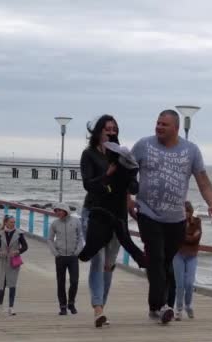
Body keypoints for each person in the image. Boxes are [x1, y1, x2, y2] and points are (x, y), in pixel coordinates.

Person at [131, 109, 212, 324]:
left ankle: (159, 305)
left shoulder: (191, 150)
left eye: (164, 124)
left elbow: (203, 180)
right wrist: (127, 199)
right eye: (158, 123)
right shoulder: (143, 145)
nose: (159, 127)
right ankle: (161, 306)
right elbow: (128, 173)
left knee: (165, 263)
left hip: (176, 219)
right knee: (156, 258)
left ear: (176, 128)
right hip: (148, 212)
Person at [79, 115, 123, 328]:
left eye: (114, 129)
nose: (110, 132)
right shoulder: (88, 155)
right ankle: (97, 309)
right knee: (98, 260)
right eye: (107, 129)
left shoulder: (119, 155)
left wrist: (132, 202)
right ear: (98, 131)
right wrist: (107, 174)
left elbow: (126, 184)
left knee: (109, 265)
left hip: (115, 215)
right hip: (94, 213)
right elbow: (88, 185)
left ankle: (101, 309)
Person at [78, 139, 146, 268]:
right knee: (124, 239)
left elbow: (98, 186)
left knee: (119, 240)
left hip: (106, 211)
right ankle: (141, 259)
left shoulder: (119, 172)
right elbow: (133, 188)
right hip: (114, 213)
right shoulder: (125, 172)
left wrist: (107, 181)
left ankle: (141, 259)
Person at [47, 203, 83, 316]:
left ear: (65, 210)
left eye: (59, 211)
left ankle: (71, 303)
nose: (57, 213)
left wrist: (77, 252)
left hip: (73, 257)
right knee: (60, 282)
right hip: (60, 257)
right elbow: (49, 239)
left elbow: (80, 237)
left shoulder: (76, 221)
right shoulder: (55, 223)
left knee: (74, 281)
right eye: (56, 211)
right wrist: (56, 253)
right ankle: (62, 306)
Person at [173, 201, 202, 321]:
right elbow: (176, 237)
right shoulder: (176, 222)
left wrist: (183, 237)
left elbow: (197, 238)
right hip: (178, 255)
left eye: (188, 211)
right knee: (179, 284)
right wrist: (189, 237)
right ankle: (179, 309)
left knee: (189, 283)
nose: (185, 213)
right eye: (183, 211)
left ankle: (188, 306)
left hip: (192, 255)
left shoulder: (197, 222)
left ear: (191, 212)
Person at [0, 215, 28, 316]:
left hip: (14, 262)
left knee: (12, 284)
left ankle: (11, 308)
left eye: (14, 222)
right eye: (11, 222)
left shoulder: (19, 233)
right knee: (2, 284)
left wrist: (18, 251)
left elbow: (25, 246)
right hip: (3, 261)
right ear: (6, 223)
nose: (13, 223)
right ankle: (0, 307)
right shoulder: (0, 233)